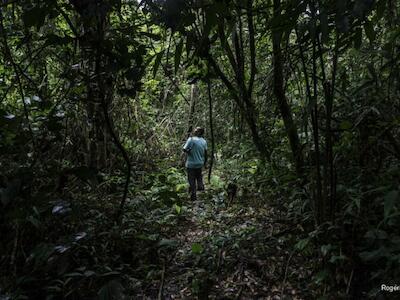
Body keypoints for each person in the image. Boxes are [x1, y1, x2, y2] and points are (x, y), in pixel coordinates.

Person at [183, 127, 207, 201]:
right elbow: (206, 153)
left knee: (191, 179)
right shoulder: (204, 141)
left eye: (196, 130)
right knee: (199, 176)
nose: (194, 131)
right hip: (199, 163)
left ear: (199, 132)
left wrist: (188, 151)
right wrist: (205, 162)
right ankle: (200, 186)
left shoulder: (191, 139)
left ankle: (193, 194)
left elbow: (184, 149)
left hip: (191, 164)